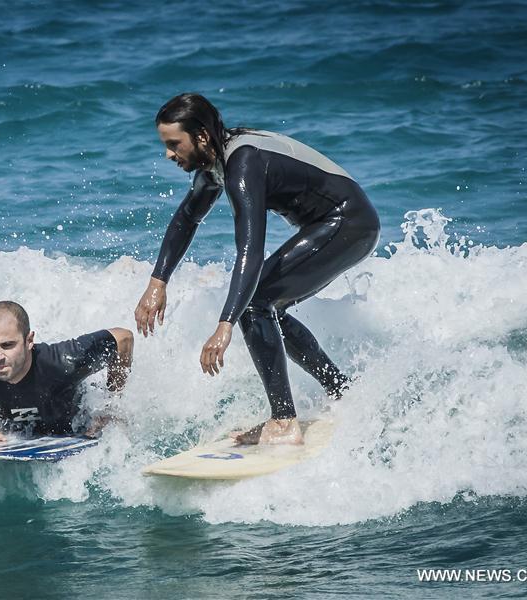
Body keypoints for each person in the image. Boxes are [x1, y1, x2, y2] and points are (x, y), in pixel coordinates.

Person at [134, 93, 380, 445]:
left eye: (174, 144)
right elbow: (187, 218)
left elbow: (250, 252)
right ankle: (341, 390)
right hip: (336, 224)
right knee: (267, 305)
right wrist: (158, 281)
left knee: (255, 304)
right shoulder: (217, 163)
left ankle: (284, 422)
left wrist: (225, 323)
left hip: (349, 222)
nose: (169, 154)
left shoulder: (244, 163)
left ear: (201, 136)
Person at [0, 300, 133, 443]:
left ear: (29, 340)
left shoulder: (63, 362)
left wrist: (110, 405)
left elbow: (123, 338)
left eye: (8, 345)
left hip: (75, 425)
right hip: (18, 430)